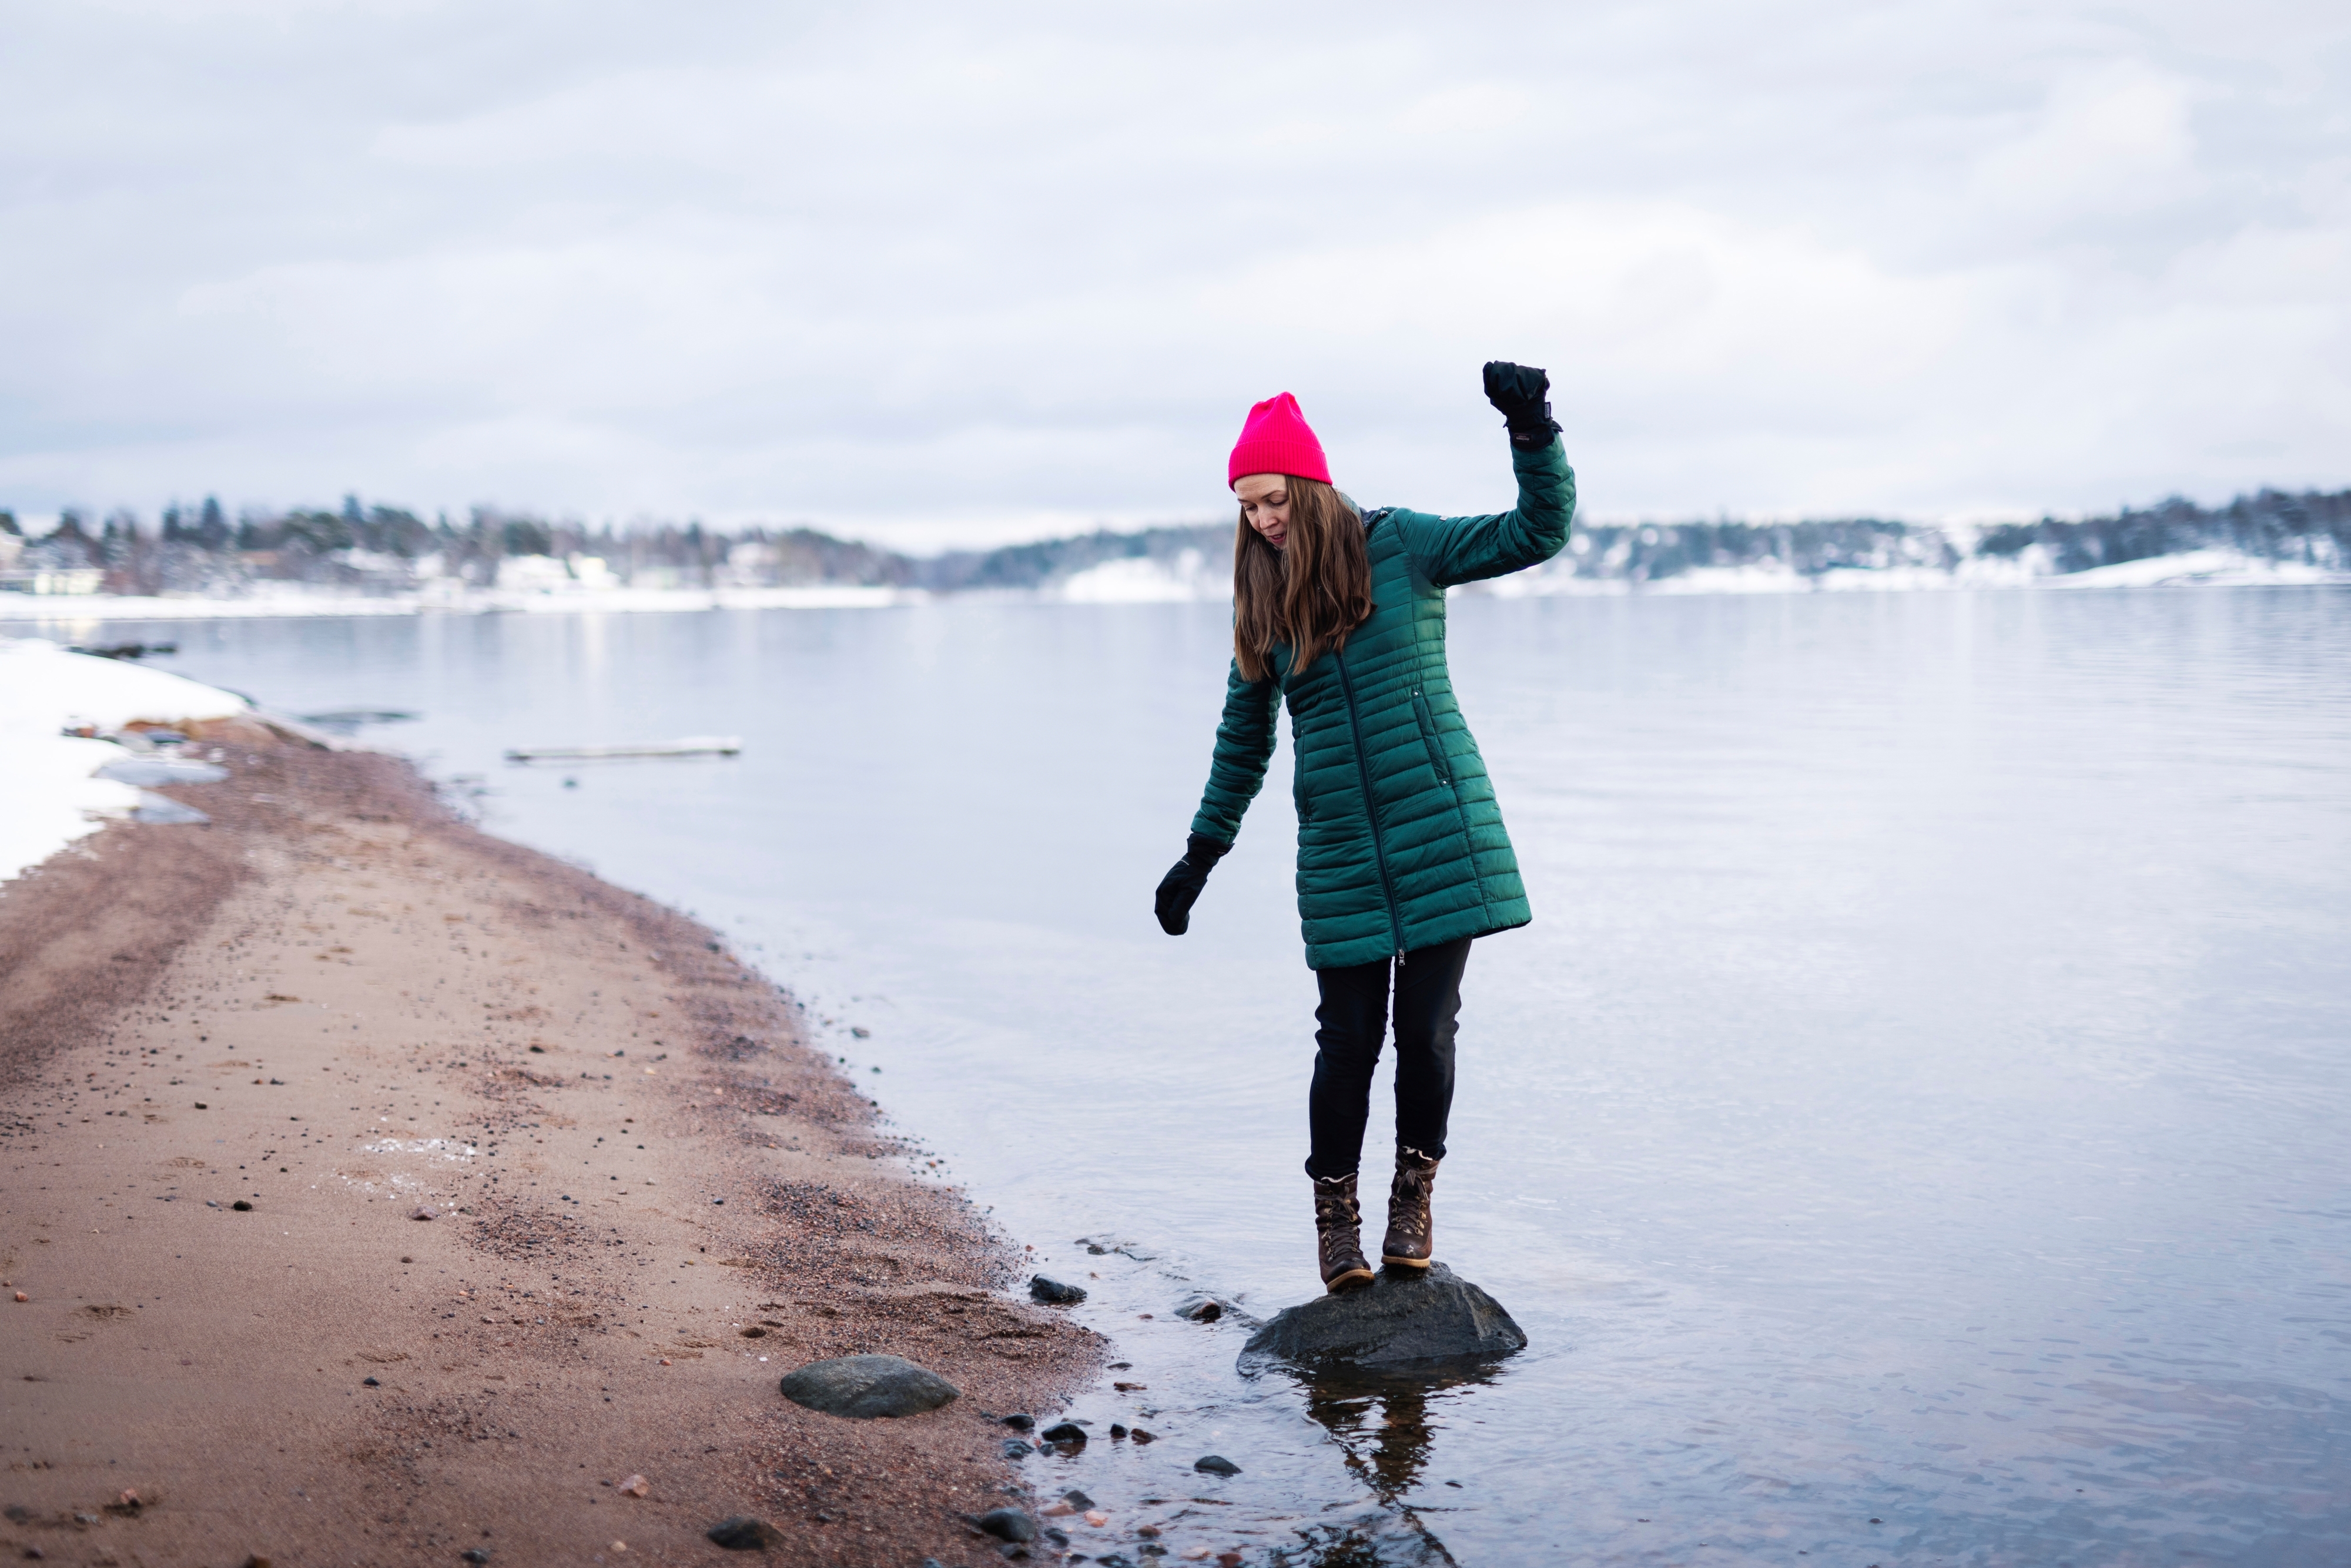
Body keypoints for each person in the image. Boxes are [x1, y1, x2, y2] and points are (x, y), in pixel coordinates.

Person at [1154, 363, 1575, 1294]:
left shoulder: (1406, 546)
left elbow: (1536, 532)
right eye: (1248, 507)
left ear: (1309, 486)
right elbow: (1242, 742)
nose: (1262, 520)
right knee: (1347, 1039)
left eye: (1272, 499)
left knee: (1425, 1033)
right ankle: (1334, 1215)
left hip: (1441, 827)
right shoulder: (1264, 606)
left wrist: (1532, 429)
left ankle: (1412, 1194)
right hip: (1340, 848)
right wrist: (1201, 854)